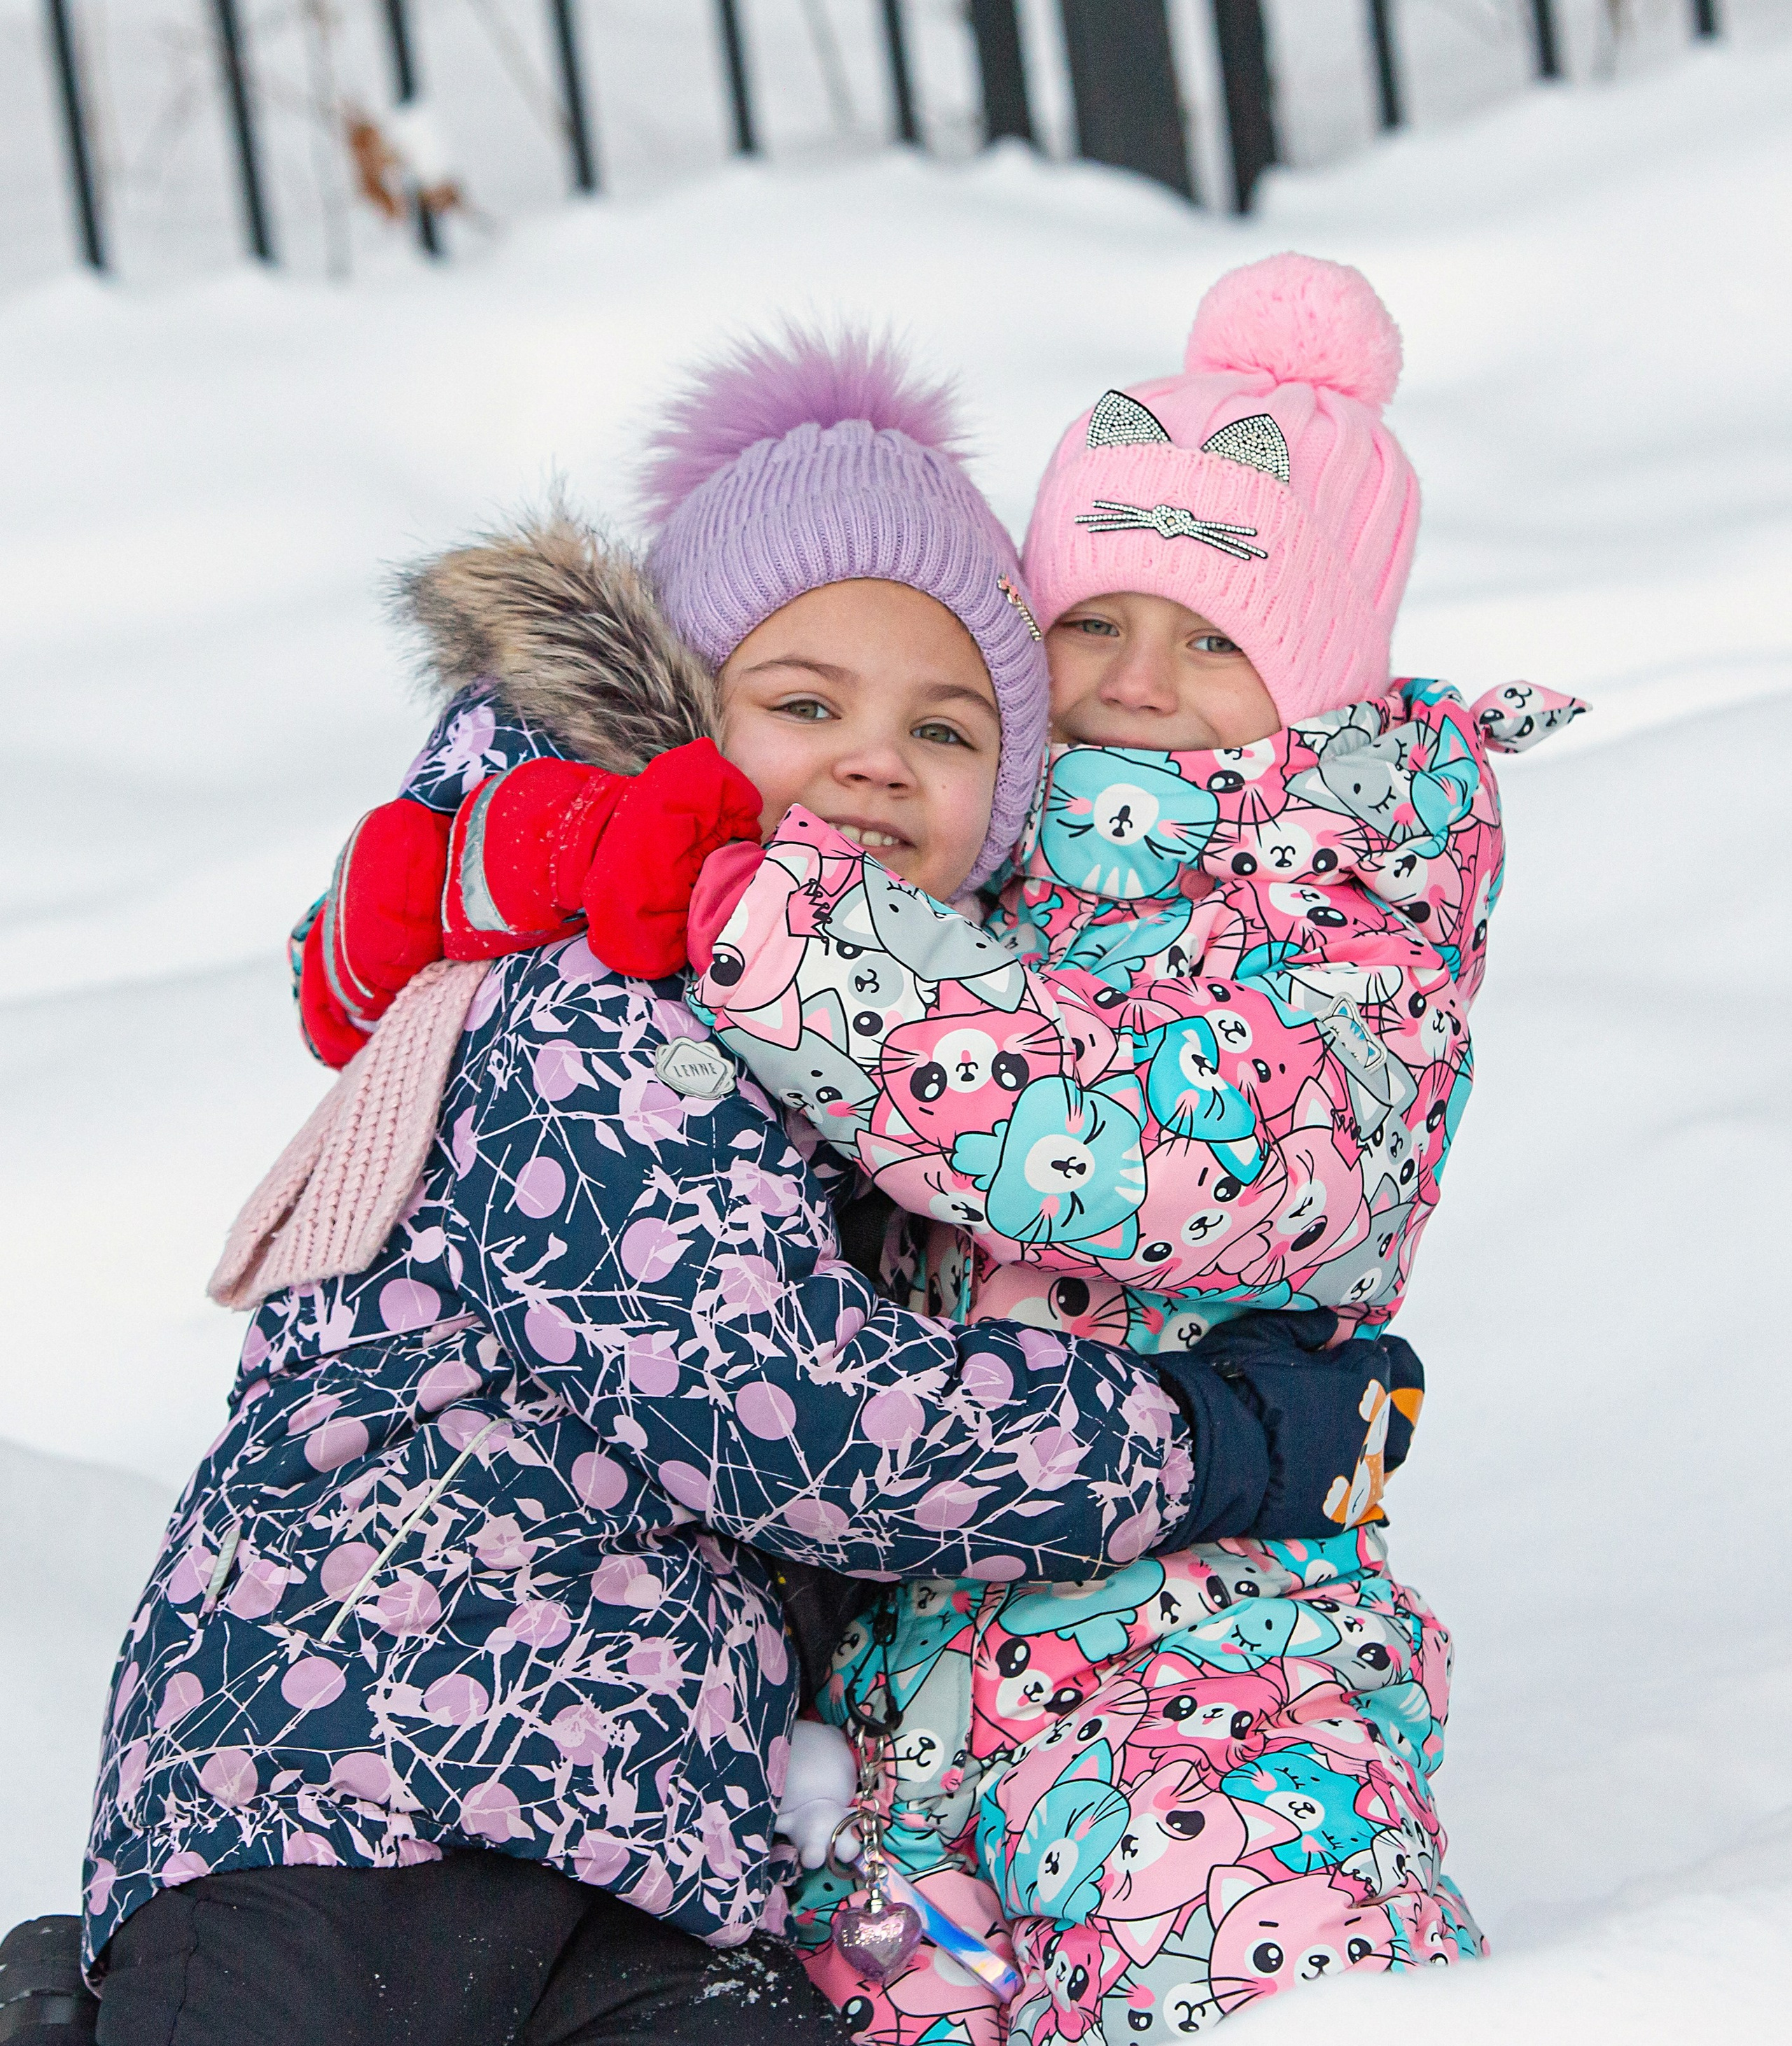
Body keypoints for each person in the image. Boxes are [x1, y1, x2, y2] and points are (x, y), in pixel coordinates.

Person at [69, 329, 1380, 2046]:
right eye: (804, 704)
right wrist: (1210, 1440)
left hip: (646, 1864)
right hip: (340, 1782)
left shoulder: (889, 1093)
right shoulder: (594, 1008)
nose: (874, 758)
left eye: (947, 725)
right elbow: (788, 1414)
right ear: (681, 726)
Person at [335, 262, 1582, 2040]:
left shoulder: (1346, 920)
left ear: (1316, 675)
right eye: (1094, 621)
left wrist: (751, 913)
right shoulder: (965, 846)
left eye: (1219, 638)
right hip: (885, 1717)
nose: (1141, 681)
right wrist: (513, 844)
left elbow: (1141, 1149)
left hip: (1201, 1661)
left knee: (1272, 1982)